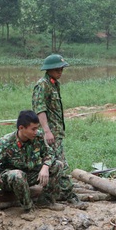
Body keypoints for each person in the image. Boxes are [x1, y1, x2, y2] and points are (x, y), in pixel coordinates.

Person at [0, 110, 65, 220]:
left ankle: (46, 201)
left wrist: (45, 167)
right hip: (10, 179)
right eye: (33, 129)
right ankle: (28, 208)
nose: (36, 131)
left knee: (57, 165)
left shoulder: (37, 137)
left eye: (37, 128)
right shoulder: (7, 142)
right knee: (17, 175)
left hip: (28, 173)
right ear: (21, 128)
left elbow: (49, 152)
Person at [32, 53, 79, 204]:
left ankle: (54, 193)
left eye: (62, 68)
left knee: (55, 162)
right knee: (60, 163)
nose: (60, 71)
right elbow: (40, 109)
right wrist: (46, 131)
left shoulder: (54, 84)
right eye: (57, 69)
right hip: (50, 133)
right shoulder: (42, 85)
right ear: (49, 69)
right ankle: (67, 194)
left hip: (56, 132)